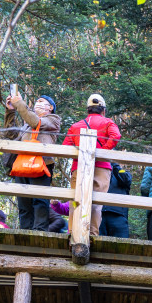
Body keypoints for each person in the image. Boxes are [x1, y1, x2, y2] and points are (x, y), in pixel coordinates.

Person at [62, 94, 121, 236]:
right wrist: (101, 152)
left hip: (78, 168)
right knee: (96, 203)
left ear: (88, 110)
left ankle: (72, 232)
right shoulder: (107, 123)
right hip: (101, 168)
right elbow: (115, 136)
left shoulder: (76, 126)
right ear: (103, 110)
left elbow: (65, 147)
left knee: (76, 201)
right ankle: (92, 234)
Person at [4, 92, 61, 231]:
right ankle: (25, 231)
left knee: (40, 201)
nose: (37, 103)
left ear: (50, 108)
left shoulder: (53, 119)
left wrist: (19, 103)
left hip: (41, 164)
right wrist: (11, 111)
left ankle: (39, 232)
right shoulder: (26, 125)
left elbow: (36, 122)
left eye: (41, 101)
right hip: (22, 164)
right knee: (24, 203)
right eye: (37, 101)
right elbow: (10, 134)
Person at [99, 163, 132, 238]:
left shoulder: (123, 172)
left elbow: (125, 179)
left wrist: (114, 164)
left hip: (119, 216)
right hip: (100, 215)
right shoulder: (100, 174)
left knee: (122, 245)